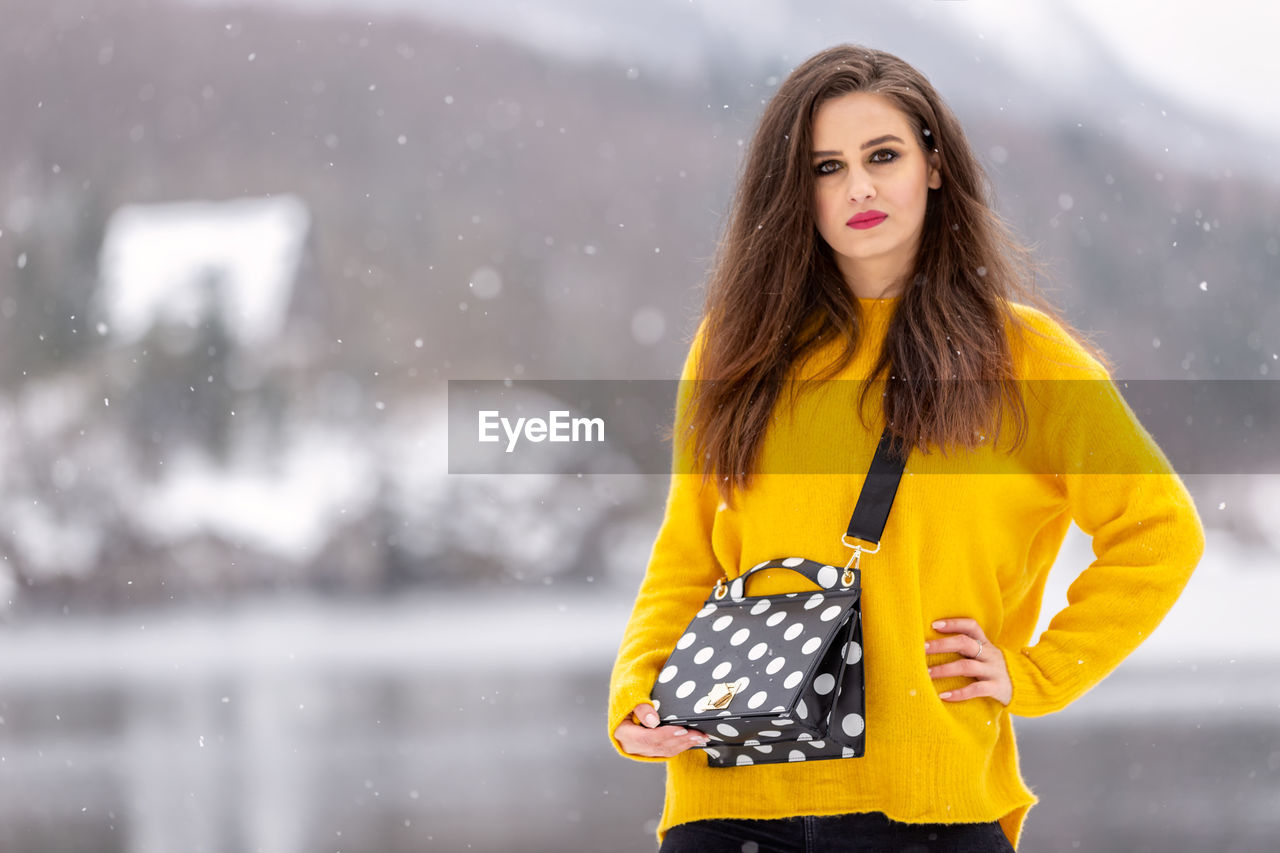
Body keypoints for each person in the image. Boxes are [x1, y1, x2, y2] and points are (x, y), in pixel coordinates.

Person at [606, 44, 1206, 852]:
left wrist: (1036, 671)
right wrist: (639, 690)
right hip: (726, 798)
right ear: (795, 192)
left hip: (927, 808)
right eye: (826, 166)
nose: (858, 186)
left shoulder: (1026, 359)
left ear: (932, 165)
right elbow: (688, 553)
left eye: (881, 155)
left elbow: (1160, 532)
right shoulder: (735, 348)